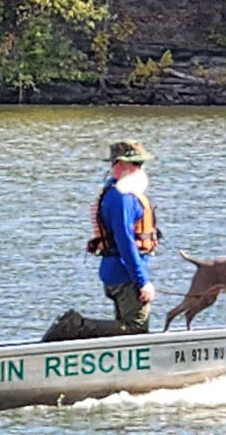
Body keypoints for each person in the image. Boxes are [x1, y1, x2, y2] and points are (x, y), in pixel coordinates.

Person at [43, 140, 161, 341]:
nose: (141, 169)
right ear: (119, 164)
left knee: (124, 334)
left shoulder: (113, 192)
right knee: (136, 330)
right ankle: (76, 326)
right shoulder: (122, 198)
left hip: (114, 273)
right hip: (125, 276)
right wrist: (142, 282)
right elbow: (125, 243)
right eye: (137, 164)